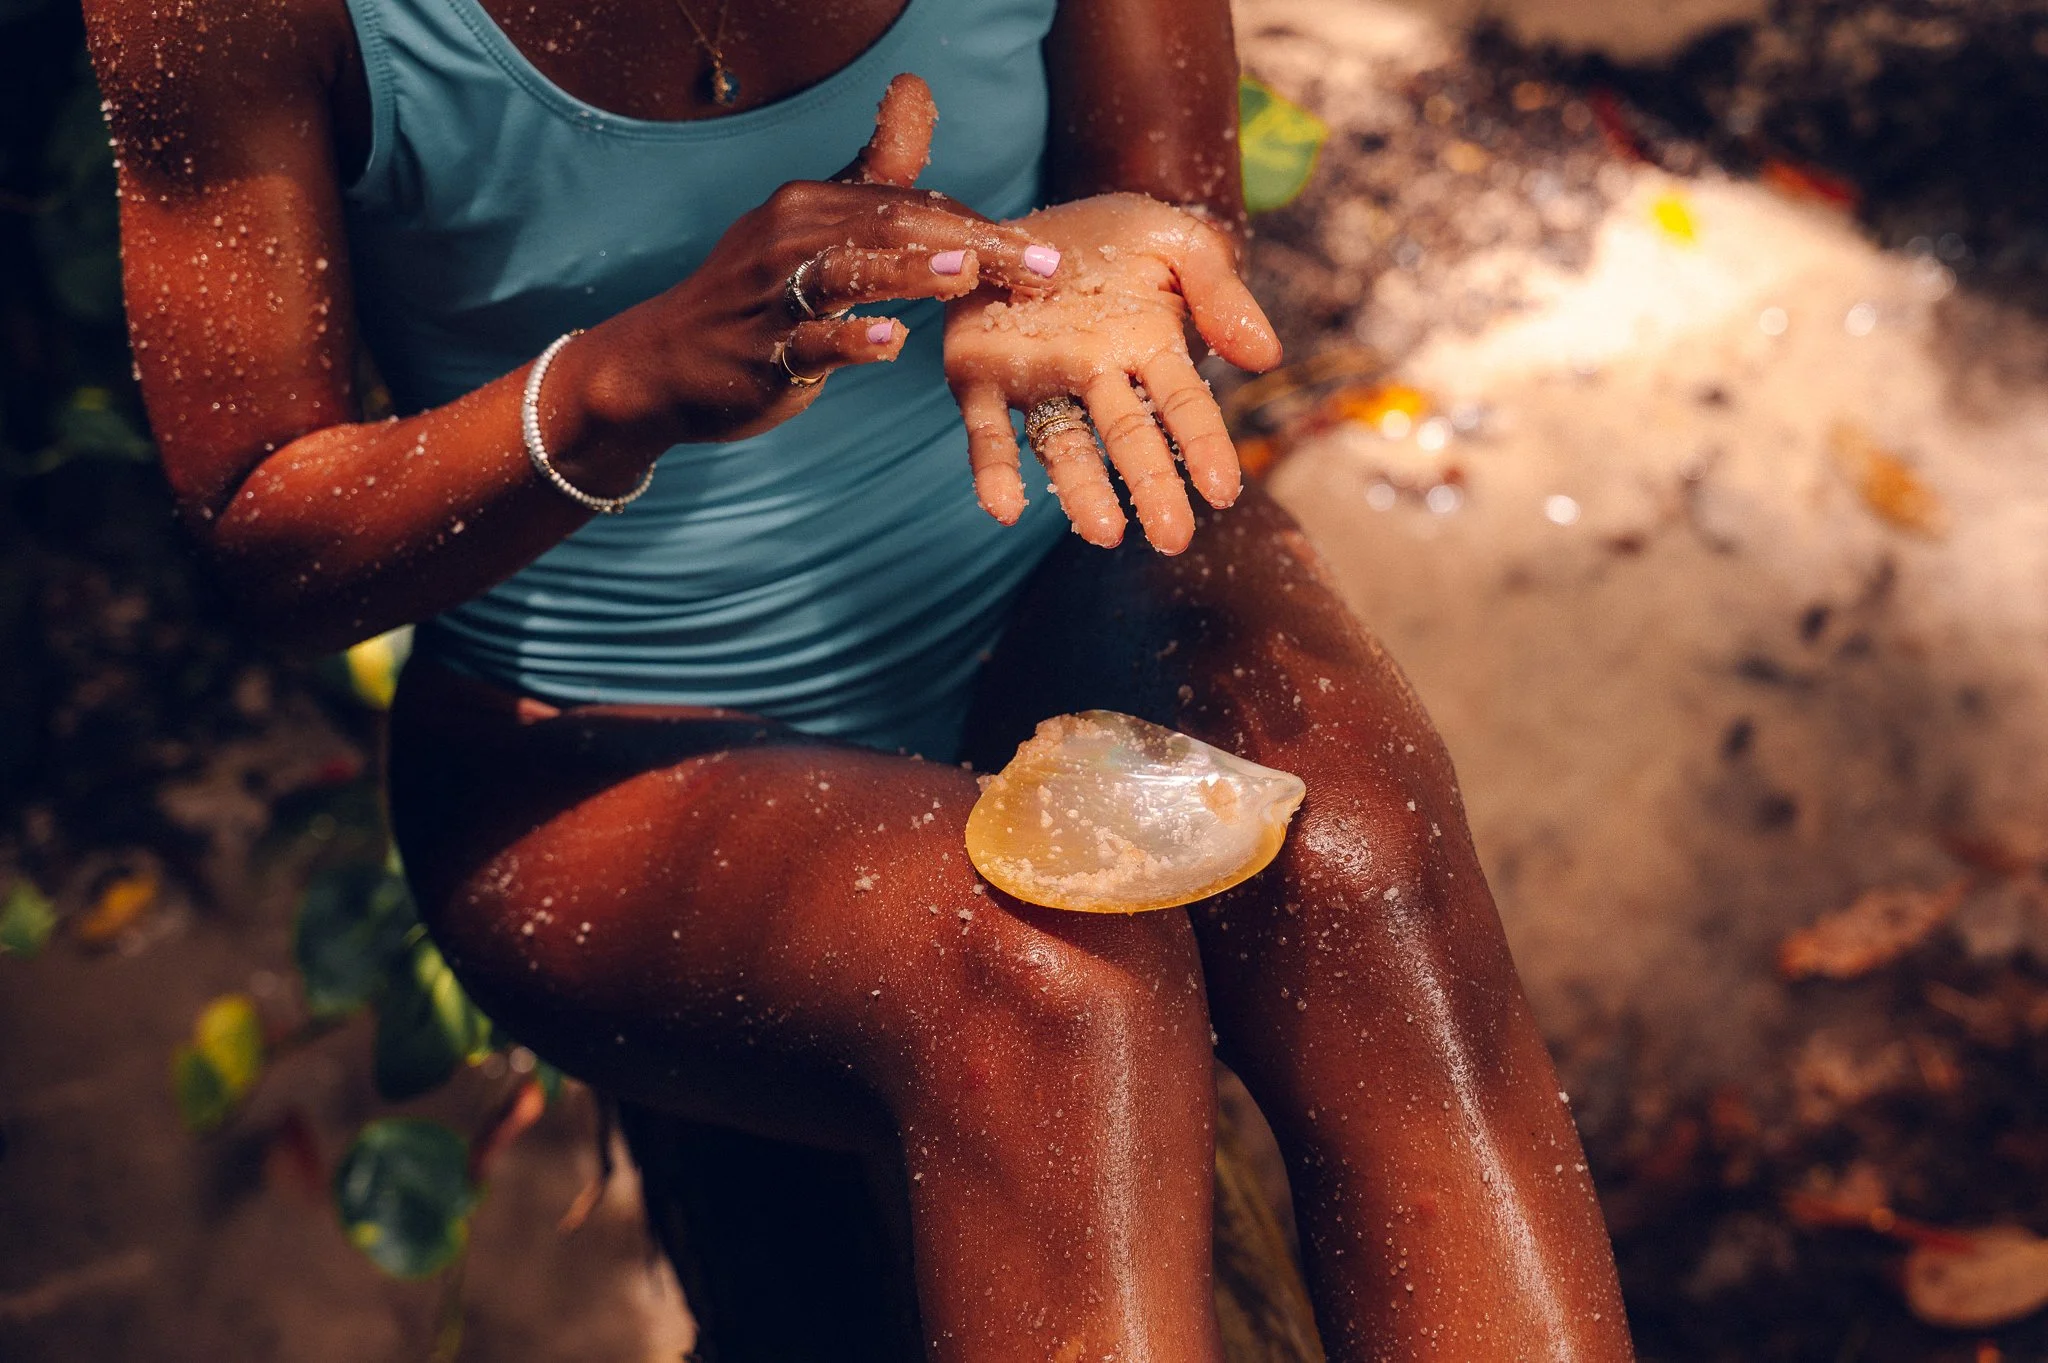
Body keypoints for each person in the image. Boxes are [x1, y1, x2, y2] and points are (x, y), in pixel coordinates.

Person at [83, 0, 1637, 1356]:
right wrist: (624, 381)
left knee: (1355, 851)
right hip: (604, 743)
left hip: (1062, 578)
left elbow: (1169, 202)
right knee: (1048, 995)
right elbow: (259, 538)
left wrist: (1096, 268)